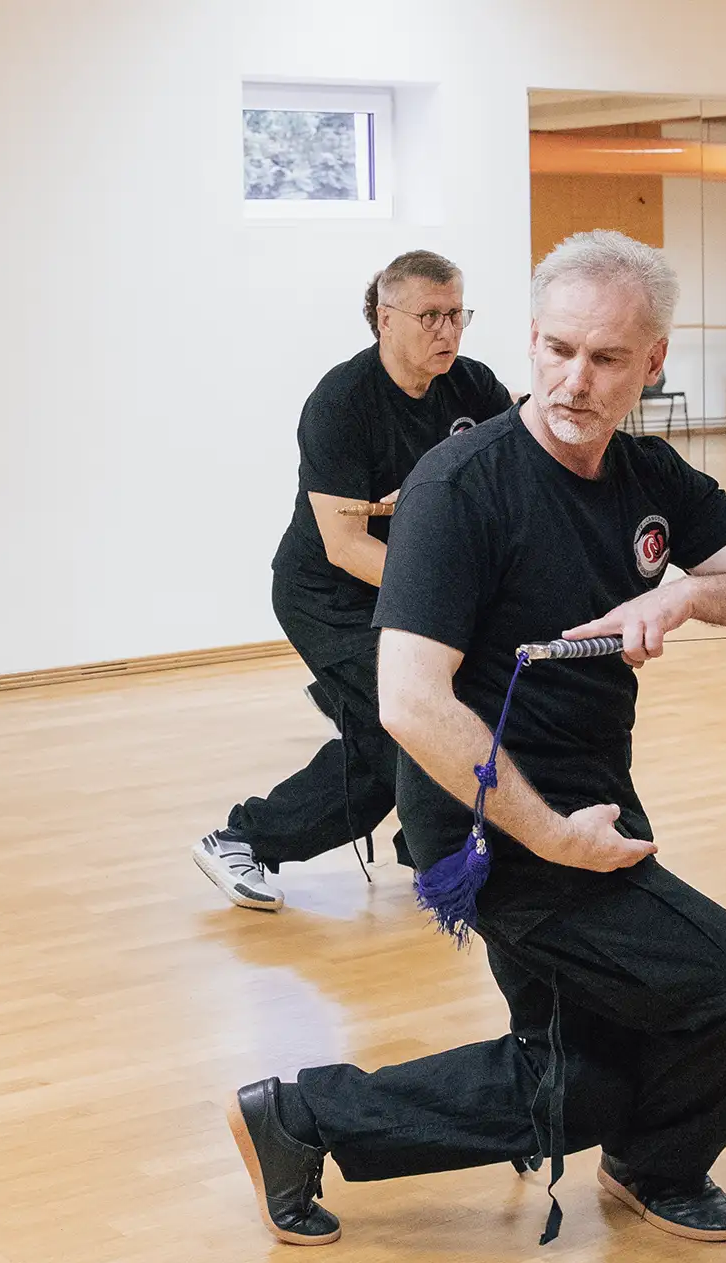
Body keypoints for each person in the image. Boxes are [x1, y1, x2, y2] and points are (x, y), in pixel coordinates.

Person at [225, 231, 726, 1248]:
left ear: (653, 360)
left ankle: (298, 1119)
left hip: (591, 795)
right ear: (532, 340)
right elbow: (410, 703)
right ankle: (659, 1161)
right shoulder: (459, 488)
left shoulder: (645, 475)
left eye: (606, 358)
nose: (573, 381)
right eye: (557, 350)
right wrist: (550, 835)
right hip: (490, 819)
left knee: (581, 1076)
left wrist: (688, 593)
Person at [194, 251, 511, 911]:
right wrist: (452, 592)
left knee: (404, 730)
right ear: (384, 319)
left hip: (408, 589)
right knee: (412, 725)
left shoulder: (474, 387)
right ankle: (248, 838)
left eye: (457, 314)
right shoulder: (341, 403)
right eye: (430, 316)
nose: (448, 331)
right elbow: (344, 546)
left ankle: (419, 847)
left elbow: (513, 471)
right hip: (329, 597)